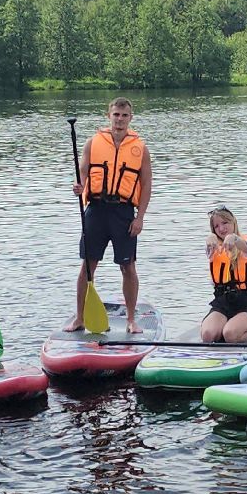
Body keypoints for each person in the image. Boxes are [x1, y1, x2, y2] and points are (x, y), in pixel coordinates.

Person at [67, 97, 152, 333]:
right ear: (109, 116)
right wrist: (79, 187)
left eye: (124, 116)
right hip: (96, 209)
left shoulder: (140, 149)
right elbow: (83, 176)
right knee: (88, 265)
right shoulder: (92, 143)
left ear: (130, 118)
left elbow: (146, 185)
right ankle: (80, 318)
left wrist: (140, 217)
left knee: (128, 267)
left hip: (124, 212)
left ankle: (131, 320)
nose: (119, 120)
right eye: (116, 115)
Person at [200, 207, 247, 343]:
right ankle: (223, 327)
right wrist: (209, 238)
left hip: (246, 304)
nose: (221, 228)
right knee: (208, 336)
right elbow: (209, 245)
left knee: (230, 334)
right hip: (222, 303)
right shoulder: (214, 247)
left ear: (233, 222)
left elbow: (244, 246)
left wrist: (234, 238)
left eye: (225, 223)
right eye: (216, 226)